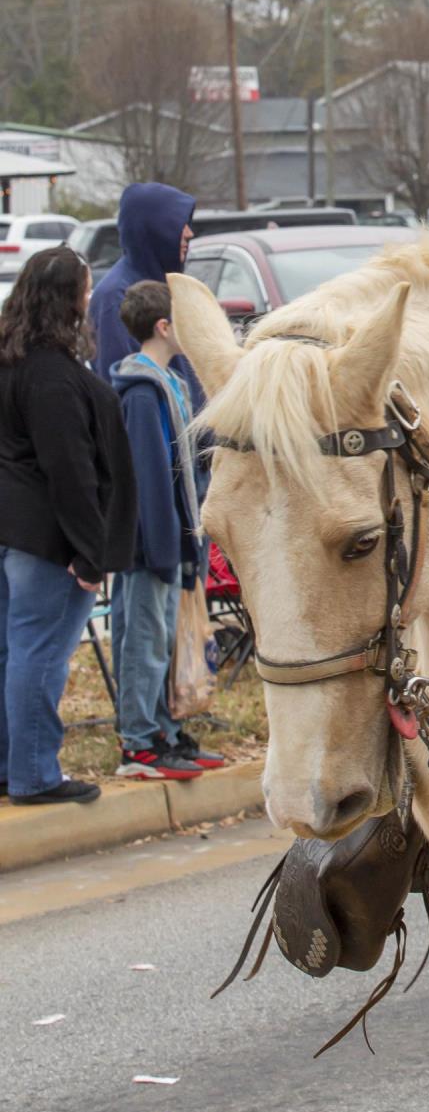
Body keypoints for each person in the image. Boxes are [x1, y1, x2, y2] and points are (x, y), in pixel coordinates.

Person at [0, 246, 138, 805]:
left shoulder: (10, 361)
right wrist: (90, 552)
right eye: (85, 289)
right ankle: (35, 774)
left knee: (11, 653)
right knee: (38, 654)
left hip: (12, 533)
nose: (89, 298)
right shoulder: (52, 375)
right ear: (68, 299)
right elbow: (70, 470)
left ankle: (12, 767)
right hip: (48, 540)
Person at [111, 281, 222, 780]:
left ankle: (167, 730)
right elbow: (149, 478)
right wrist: (165, 545)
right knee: (146, 640)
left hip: (176, 541)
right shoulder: (141, 391)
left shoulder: (172, 383)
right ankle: (139, 740)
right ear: (164, 326)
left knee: (169, 641)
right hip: (151, 546)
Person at [90, 182, 197, 389]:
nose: (189, 233)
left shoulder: (169, 284)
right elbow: (122, 393)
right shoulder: (116, 296)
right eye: (178, 224)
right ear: (155, 229)